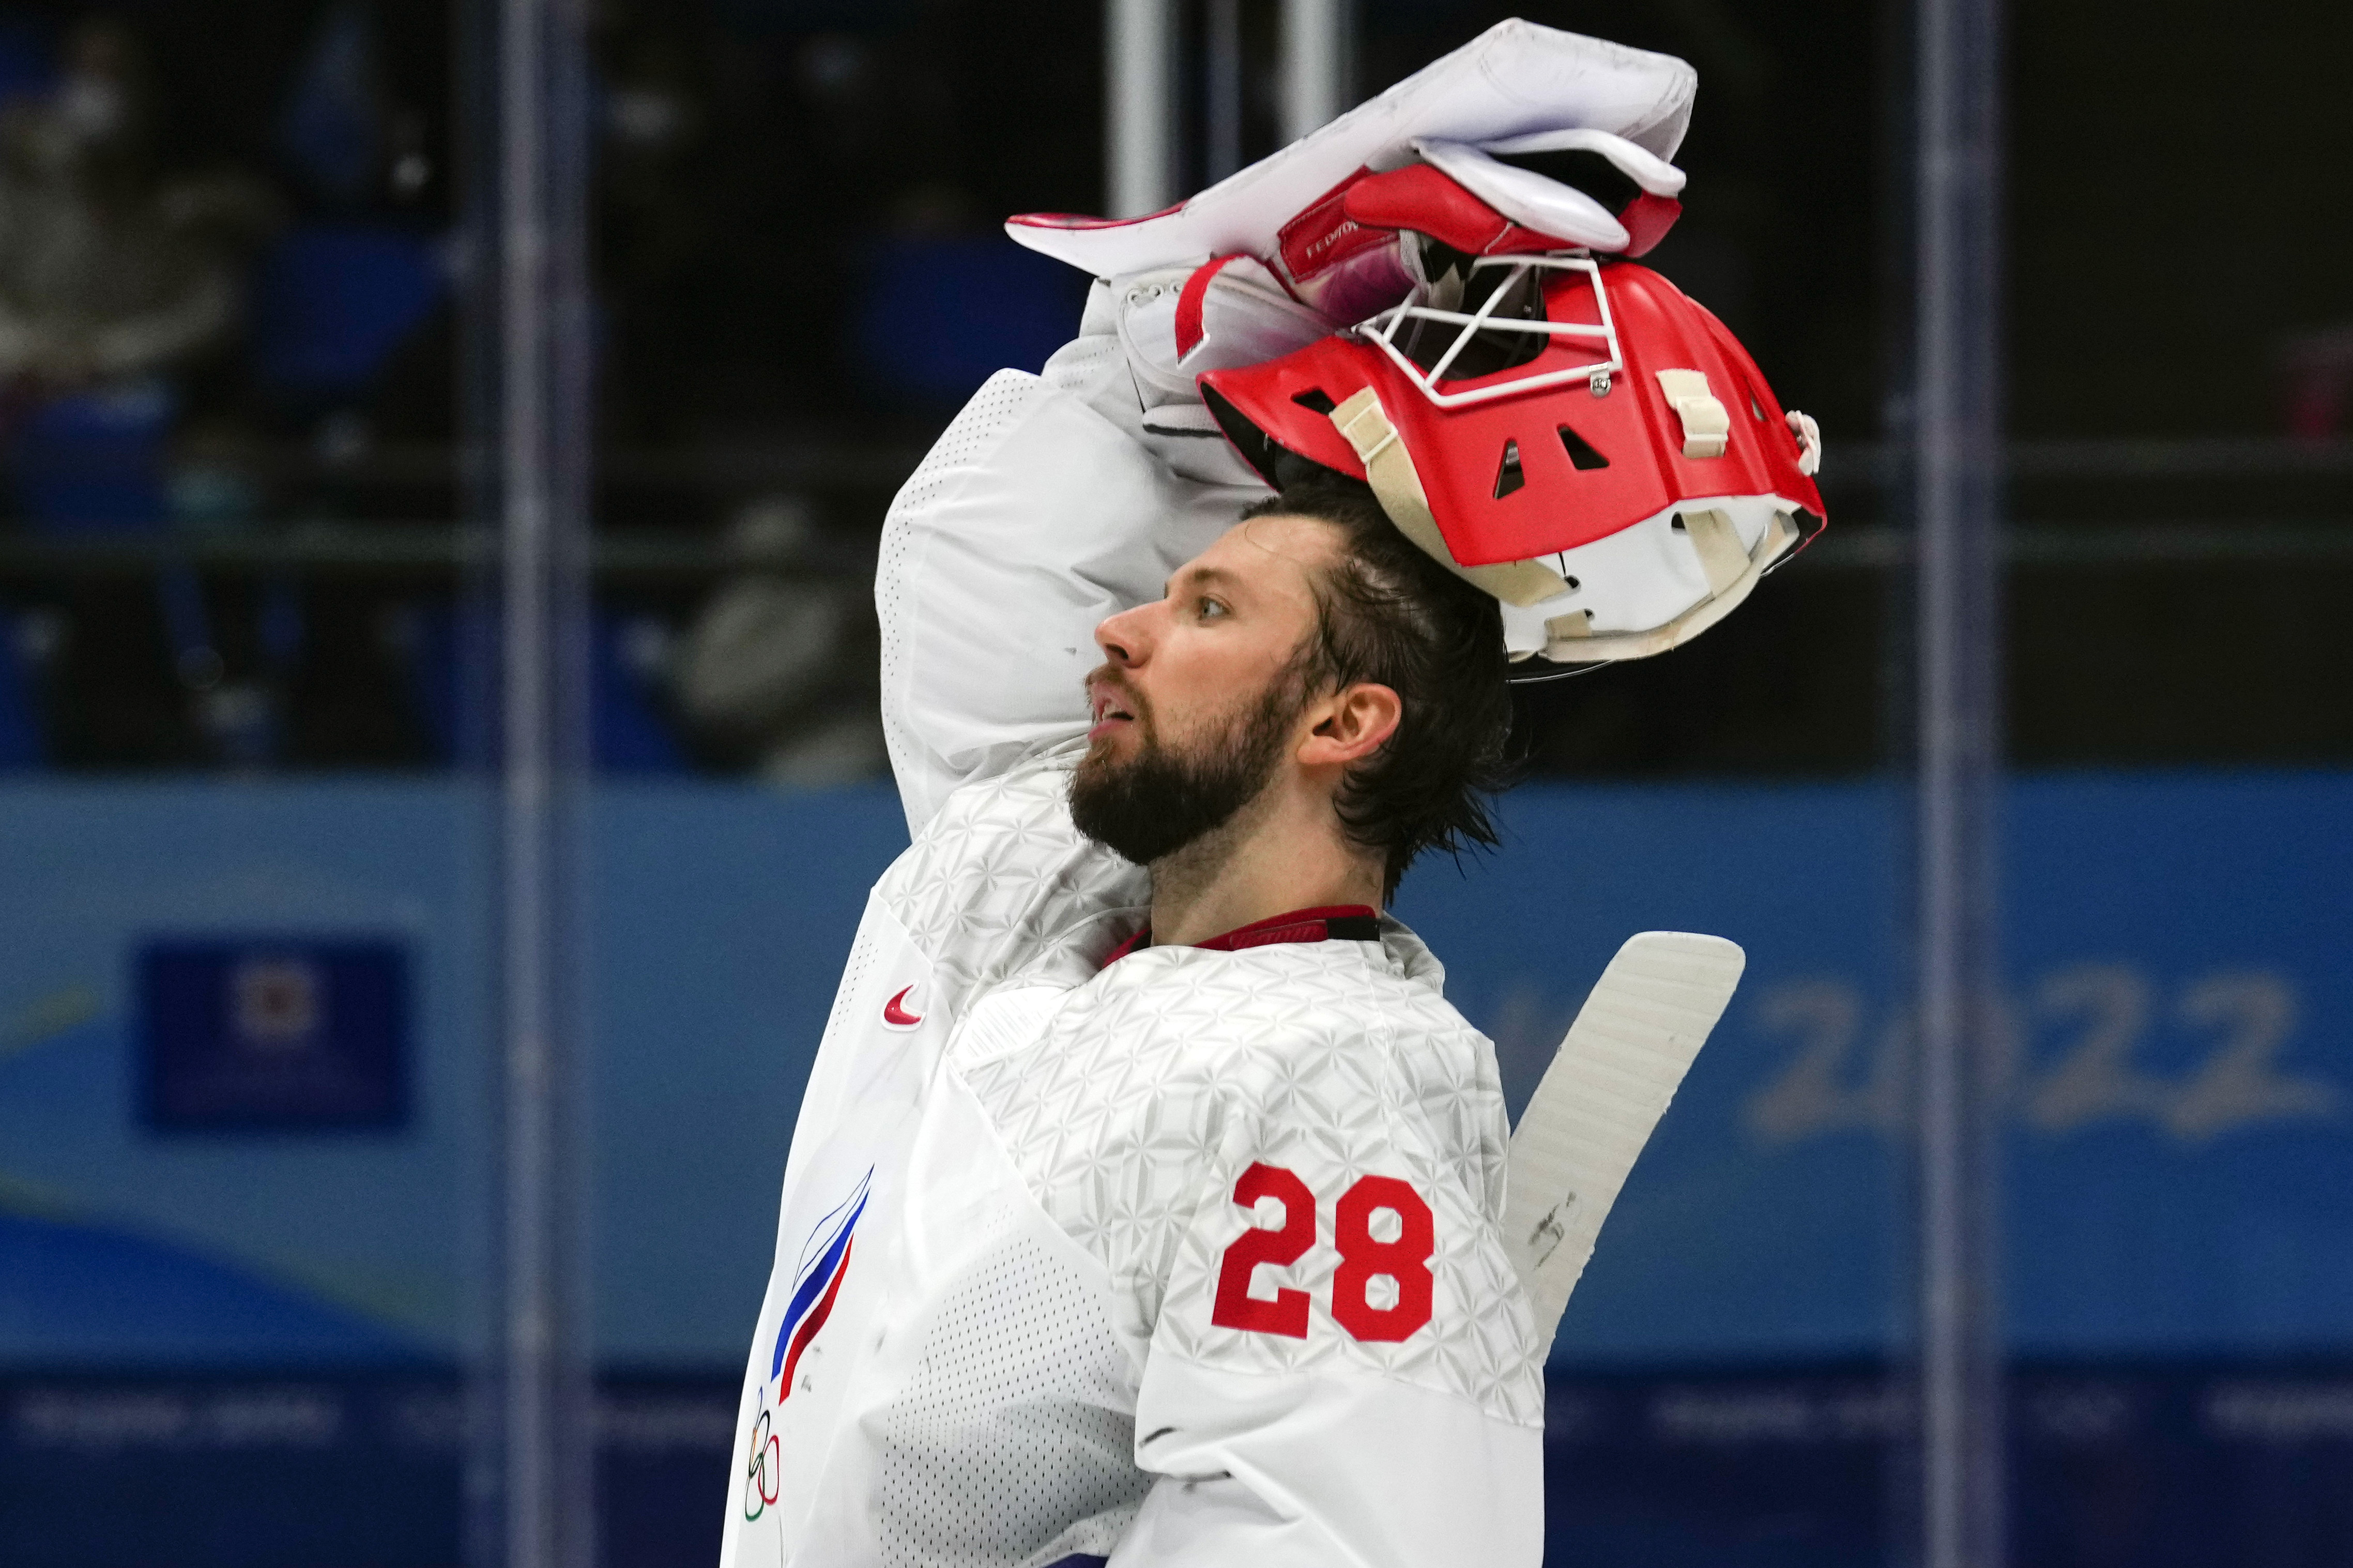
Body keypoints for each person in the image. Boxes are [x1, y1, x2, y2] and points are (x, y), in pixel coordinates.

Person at [722, 23, 1825, 1566]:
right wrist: (1160, 368)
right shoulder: (1029, 899)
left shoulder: (1330, 1087)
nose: (1123, 625)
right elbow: (974, 587)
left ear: (1345, 719)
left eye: (1211, 611)